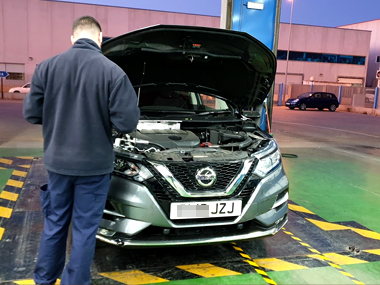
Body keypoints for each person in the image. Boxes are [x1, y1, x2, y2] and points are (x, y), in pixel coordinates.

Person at [23, 16, 140, 285]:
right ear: (100, 39)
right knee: (85, 230)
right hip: (95, 167)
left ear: (73, 38)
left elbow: (31, 113)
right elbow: (127, 122)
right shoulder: (113, 72)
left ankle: (44, 279)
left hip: (58, 164)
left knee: (54, 225)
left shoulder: (47, 68)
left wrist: (57, 116)